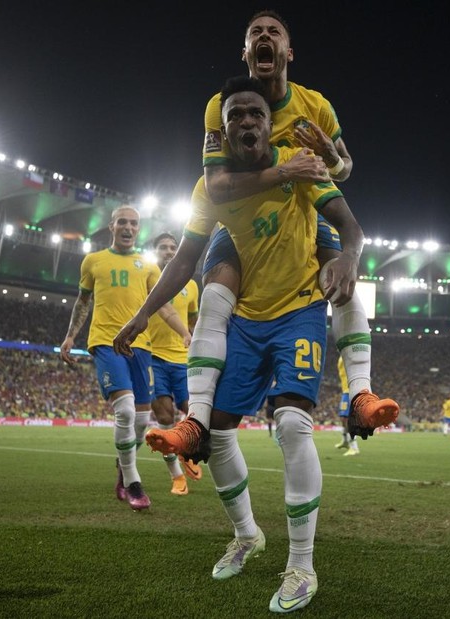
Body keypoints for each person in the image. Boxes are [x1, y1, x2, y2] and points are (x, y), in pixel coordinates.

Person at [114, 76, 365, 613]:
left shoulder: (298, 160)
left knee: (294, 424)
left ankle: (301, 565)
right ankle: (248, 534)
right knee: (219, 438)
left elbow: (348, 221)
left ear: (267, 122)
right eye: (235, 117)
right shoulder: (211, 189)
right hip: (247, 321)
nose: (247, 122)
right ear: (221, 132)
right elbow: (183, 261)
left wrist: (347, 256)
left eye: (255, 114)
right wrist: (138, 318)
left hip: (298, 309)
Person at [146, 10, 397, 461]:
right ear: (245, 53)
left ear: (288, 52)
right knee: (216, 286)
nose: (265, 37)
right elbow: (217, 186)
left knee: (337, 272)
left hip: (301, 207)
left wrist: (331, 161)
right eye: (255, 34)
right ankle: (197, 420)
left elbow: (345, 168)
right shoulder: (217, 106)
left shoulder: (315, 105)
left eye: (273, 32)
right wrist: (285, 169)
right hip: (238, 216)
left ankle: (361, 394)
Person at [59, 206, 192, 512]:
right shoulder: (93, 261)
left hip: (141, 346)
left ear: (138, 229)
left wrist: (186, 333)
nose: (128, 227)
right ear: (112, 226)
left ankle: (122, 466)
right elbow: (83, 302)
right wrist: (70, 336)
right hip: (106, 342)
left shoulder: (147, 266)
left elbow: (165, 308)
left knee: (142, 419)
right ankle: (133, 481)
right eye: (122, 222)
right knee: (127, 411)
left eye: (133, 223)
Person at [146, 231, 202, 495]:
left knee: (194, 414)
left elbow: (193, 320)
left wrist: (193, 341)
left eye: (172, 247)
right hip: (152, 357)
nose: (168, 251)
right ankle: (177, 477)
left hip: (182, 361)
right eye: (162, 247)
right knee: (165, 417)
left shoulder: (191, 285)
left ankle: (186, 453)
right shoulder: (146, 279)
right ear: (154, 251)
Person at [333, 358, 359, 456]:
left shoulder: (349, 356)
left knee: (347, 420)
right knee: (343, 419)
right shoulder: (341, 358)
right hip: (345, 392)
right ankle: (345, 441)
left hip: (350, 391)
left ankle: (354, 447)